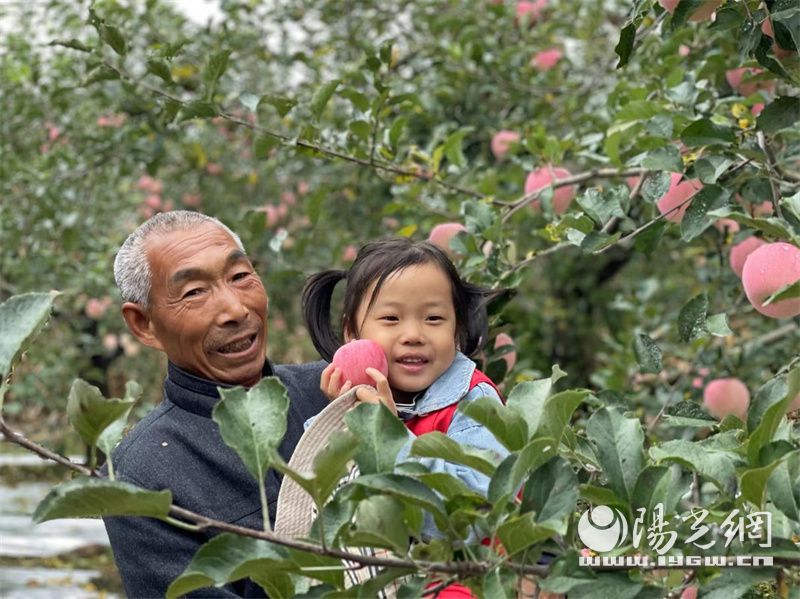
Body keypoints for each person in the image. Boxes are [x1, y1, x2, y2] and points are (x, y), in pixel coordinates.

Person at [103, 210, 329, 597]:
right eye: (194, 292)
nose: (236, 310)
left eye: (240, 277)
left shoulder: (333, 392)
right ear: (144, 324)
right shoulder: (143, 479)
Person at [302, 238, 510, 597]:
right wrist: (339, 422)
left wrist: (385, 434)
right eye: (391, 318)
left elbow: (470, 516)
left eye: (433, 318)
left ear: (456, 330)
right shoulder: (355, 407)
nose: (413, 335)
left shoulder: (474, 401)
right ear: (352, 333)